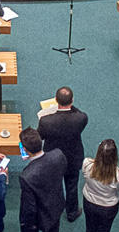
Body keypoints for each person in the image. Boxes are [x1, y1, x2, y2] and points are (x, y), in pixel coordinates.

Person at [18, 127, 66, 232]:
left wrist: (27, 223)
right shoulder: (58, 155)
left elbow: (29, 207)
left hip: (37, 217)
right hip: (55, 206)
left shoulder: (27, 176)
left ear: (25, 150)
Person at [38, 87, 89, 221]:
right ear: (72, 100)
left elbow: (41, 137)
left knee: (53, 186)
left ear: (56, 100)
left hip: (52, 159)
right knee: (72, 186)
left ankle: (52, 212)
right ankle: (72, 213)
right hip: (73, 158)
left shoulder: (45, 121)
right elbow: (77, 112)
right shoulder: (81, 118)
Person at [82, 139, 119, 232]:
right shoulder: (118, 174)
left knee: (90, 229)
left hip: (89, 202)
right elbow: (118, 189)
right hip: (108, 207)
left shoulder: (87, 164)